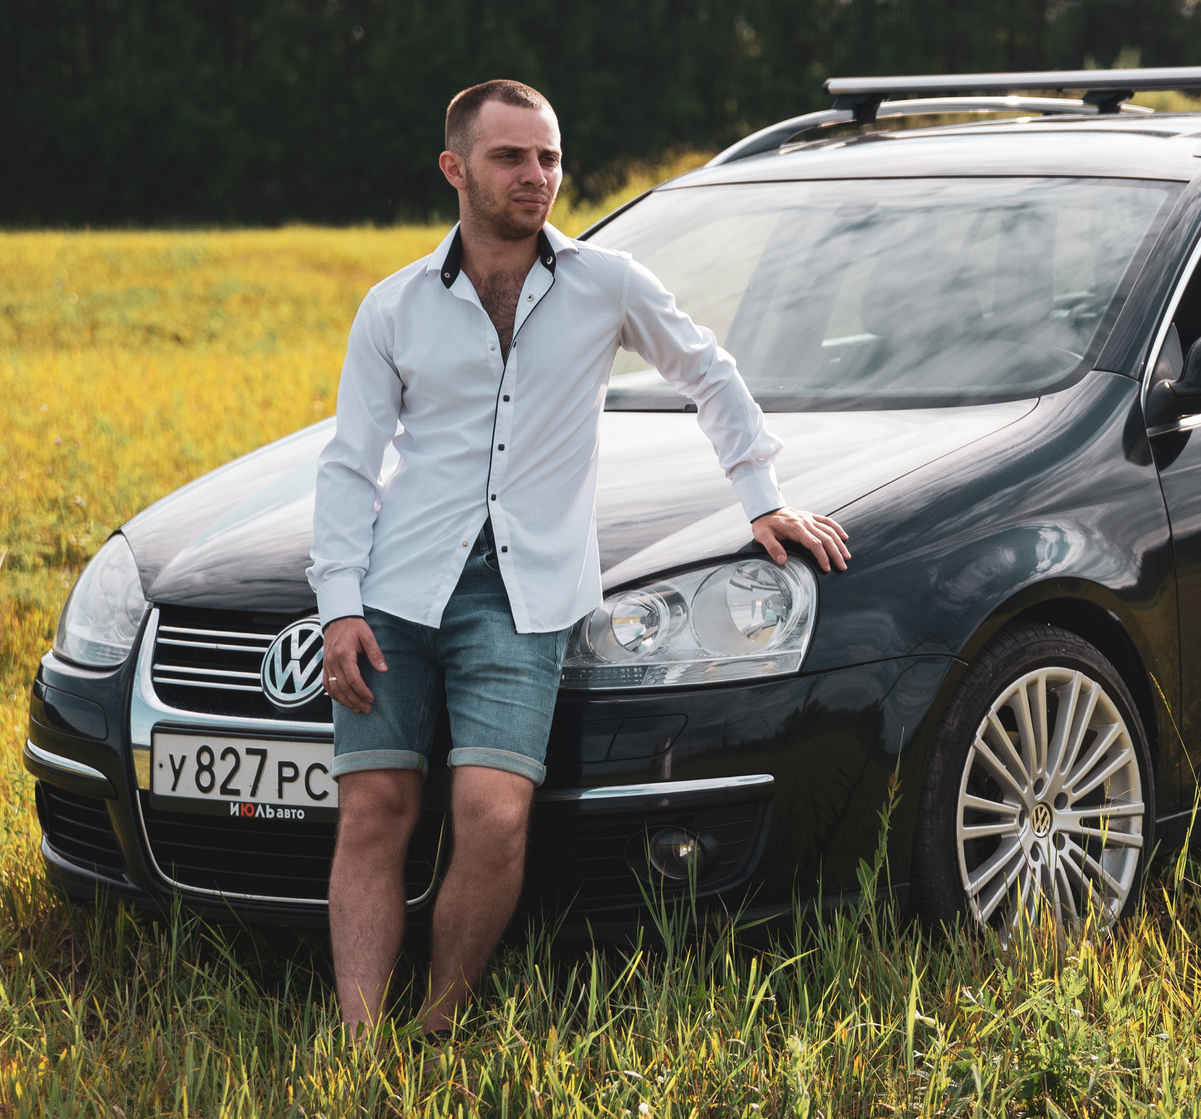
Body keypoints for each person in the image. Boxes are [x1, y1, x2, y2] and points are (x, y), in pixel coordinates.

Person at [308, 79, 851, 1036]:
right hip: (398, 592)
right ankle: (355, 1040)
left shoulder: (609, 284)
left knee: (492, 816)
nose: (537, 176)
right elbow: (352, 464)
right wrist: (340, 602)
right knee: (376, 810)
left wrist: (762, 499)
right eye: (511, 157)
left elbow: (709, 373)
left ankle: (436, 1023)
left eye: (550, 157)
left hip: (523, 602)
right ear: (456, 169)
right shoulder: (392, 309)